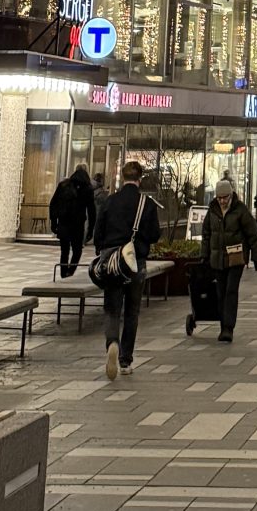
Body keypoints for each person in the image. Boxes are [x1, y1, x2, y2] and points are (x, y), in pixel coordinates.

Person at [93, 158, 160, 384]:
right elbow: (154, 235)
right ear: (140, 179)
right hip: (135, 262)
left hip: (112, 260)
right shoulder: (146, 204)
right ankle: (125, 360)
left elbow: (98, 231)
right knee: (132, 312)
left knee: (112, 307)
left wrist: (102, 251)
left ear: (123, 177)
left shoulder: (110, 201)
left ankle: (112, 342)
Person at [199, 174, 257, 343]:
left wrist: (256, 257)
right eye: (219, 198)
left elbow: (253, 234)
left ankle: (228, 327)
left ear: (231, 195)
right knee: (220, 292)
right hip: (217, 258)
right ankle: (223, 325)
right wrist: (204, 255)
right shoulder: (212, 210)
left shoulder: (240, 210)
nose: (221, 201)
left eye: (224, 198)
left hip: (236, 258)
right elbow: (206, 234)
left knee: (231, 291)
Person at [49, 164, 95, 279]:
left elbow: (53, 204)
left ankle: (64, 274)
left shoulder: (63, 185)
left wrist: (54, 222)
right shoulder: (87, 188)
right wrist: (91, 229)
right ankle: (70, 272)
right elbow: (91, 211)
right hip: (77, 225)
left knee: (64, 251)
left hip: (63, 222)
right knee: (77, 250)